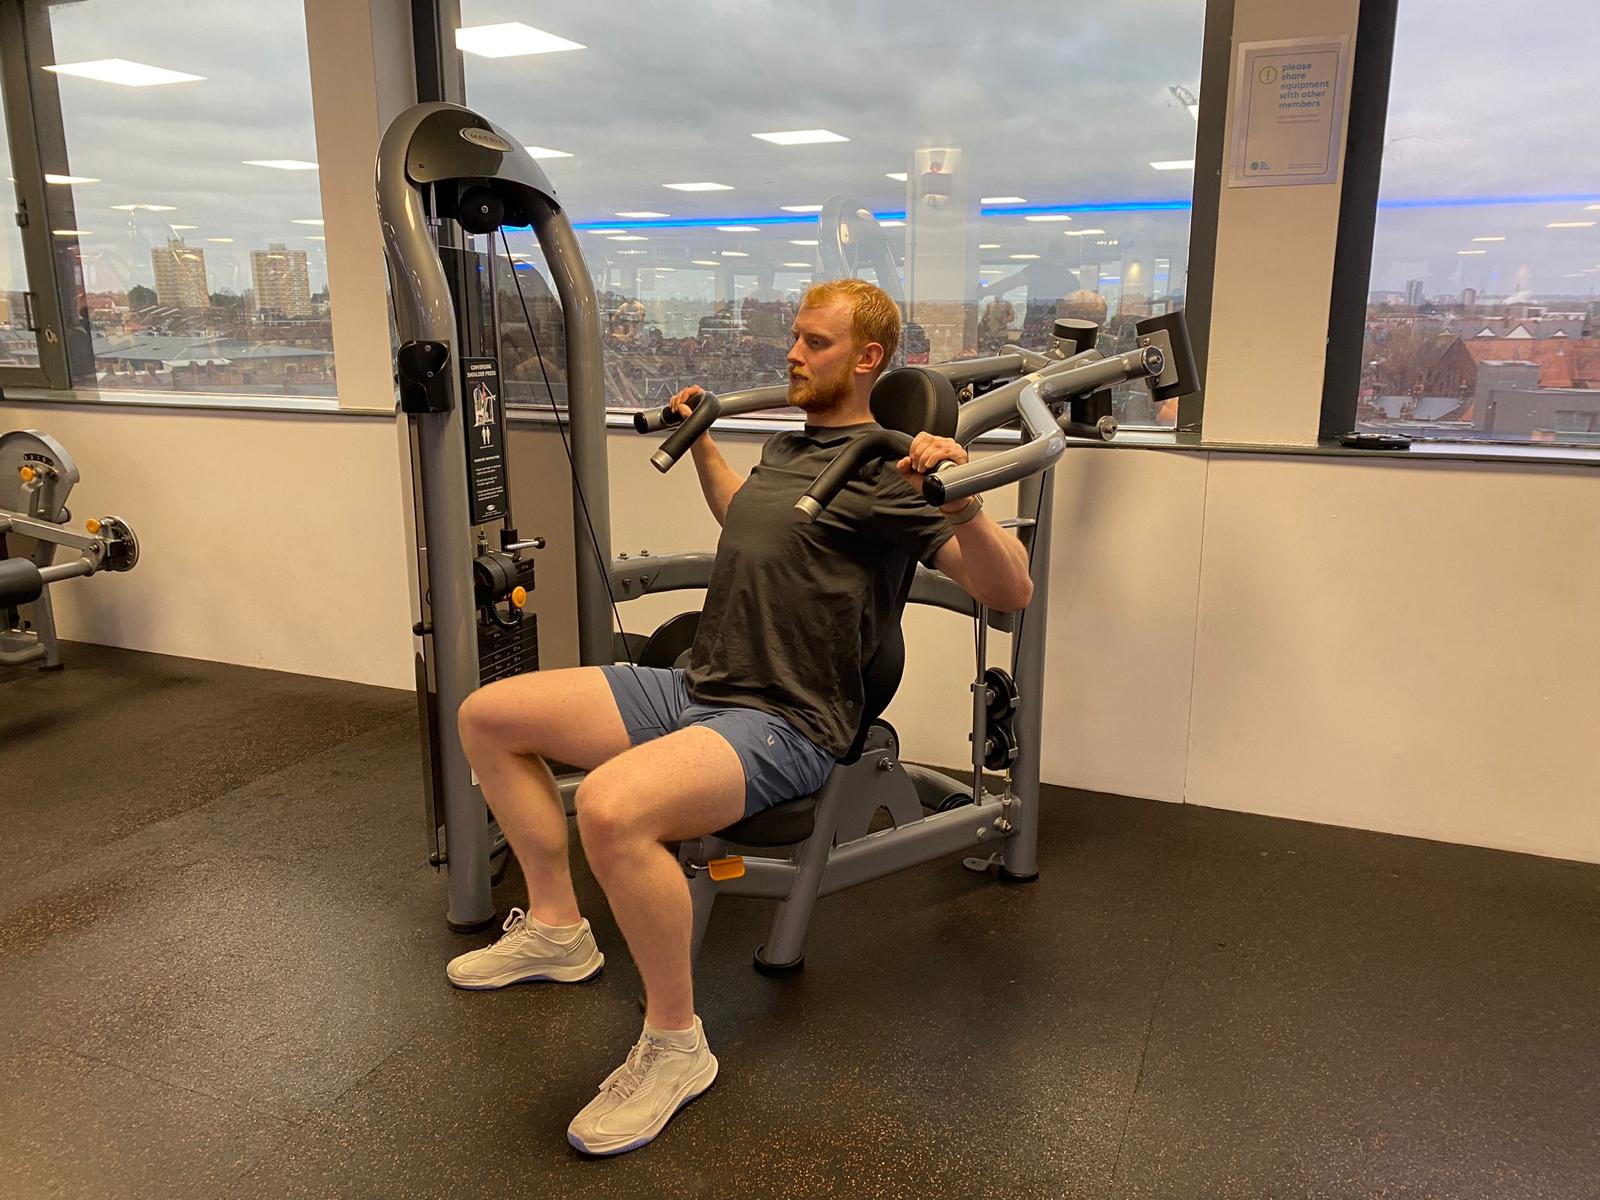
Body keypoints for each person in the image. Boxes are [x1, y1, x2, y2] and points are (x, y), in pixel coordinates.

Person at [448, 277, 1037, 1156]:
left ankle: (676, 1046)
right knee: (490, 716)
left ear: (868, 358)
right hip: (698, 685)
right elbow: (743, 522)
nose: (792, 354)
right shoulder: (792, 453)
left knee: (611, 808)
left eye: (814, 343)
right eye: (794, 338)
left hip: (785, 720)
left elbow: (1009, 589)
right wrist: (704, 447)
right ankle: (560, 929)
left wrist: (963, 498)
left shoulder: (886, 471)